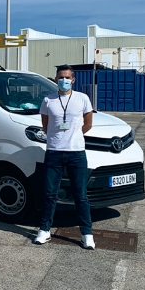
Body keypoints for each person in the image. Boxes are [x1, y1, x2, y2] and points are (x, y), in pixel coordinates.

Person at [33, 65, 96, 250]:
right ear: (55, 79)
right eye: (61, 77)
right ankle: (44, 230)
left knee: (80, 195)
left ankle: (87, 233)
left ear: (73, 80)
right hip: (53, 152)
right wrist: (58, 137)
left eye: (67, 77)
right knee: (50, 194)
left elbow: (88, 124)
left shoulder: (82, 99)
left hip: (76, 153)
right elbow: (46, 126)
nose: (64, 80)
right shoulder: (48, 100)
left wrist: (74, 135)